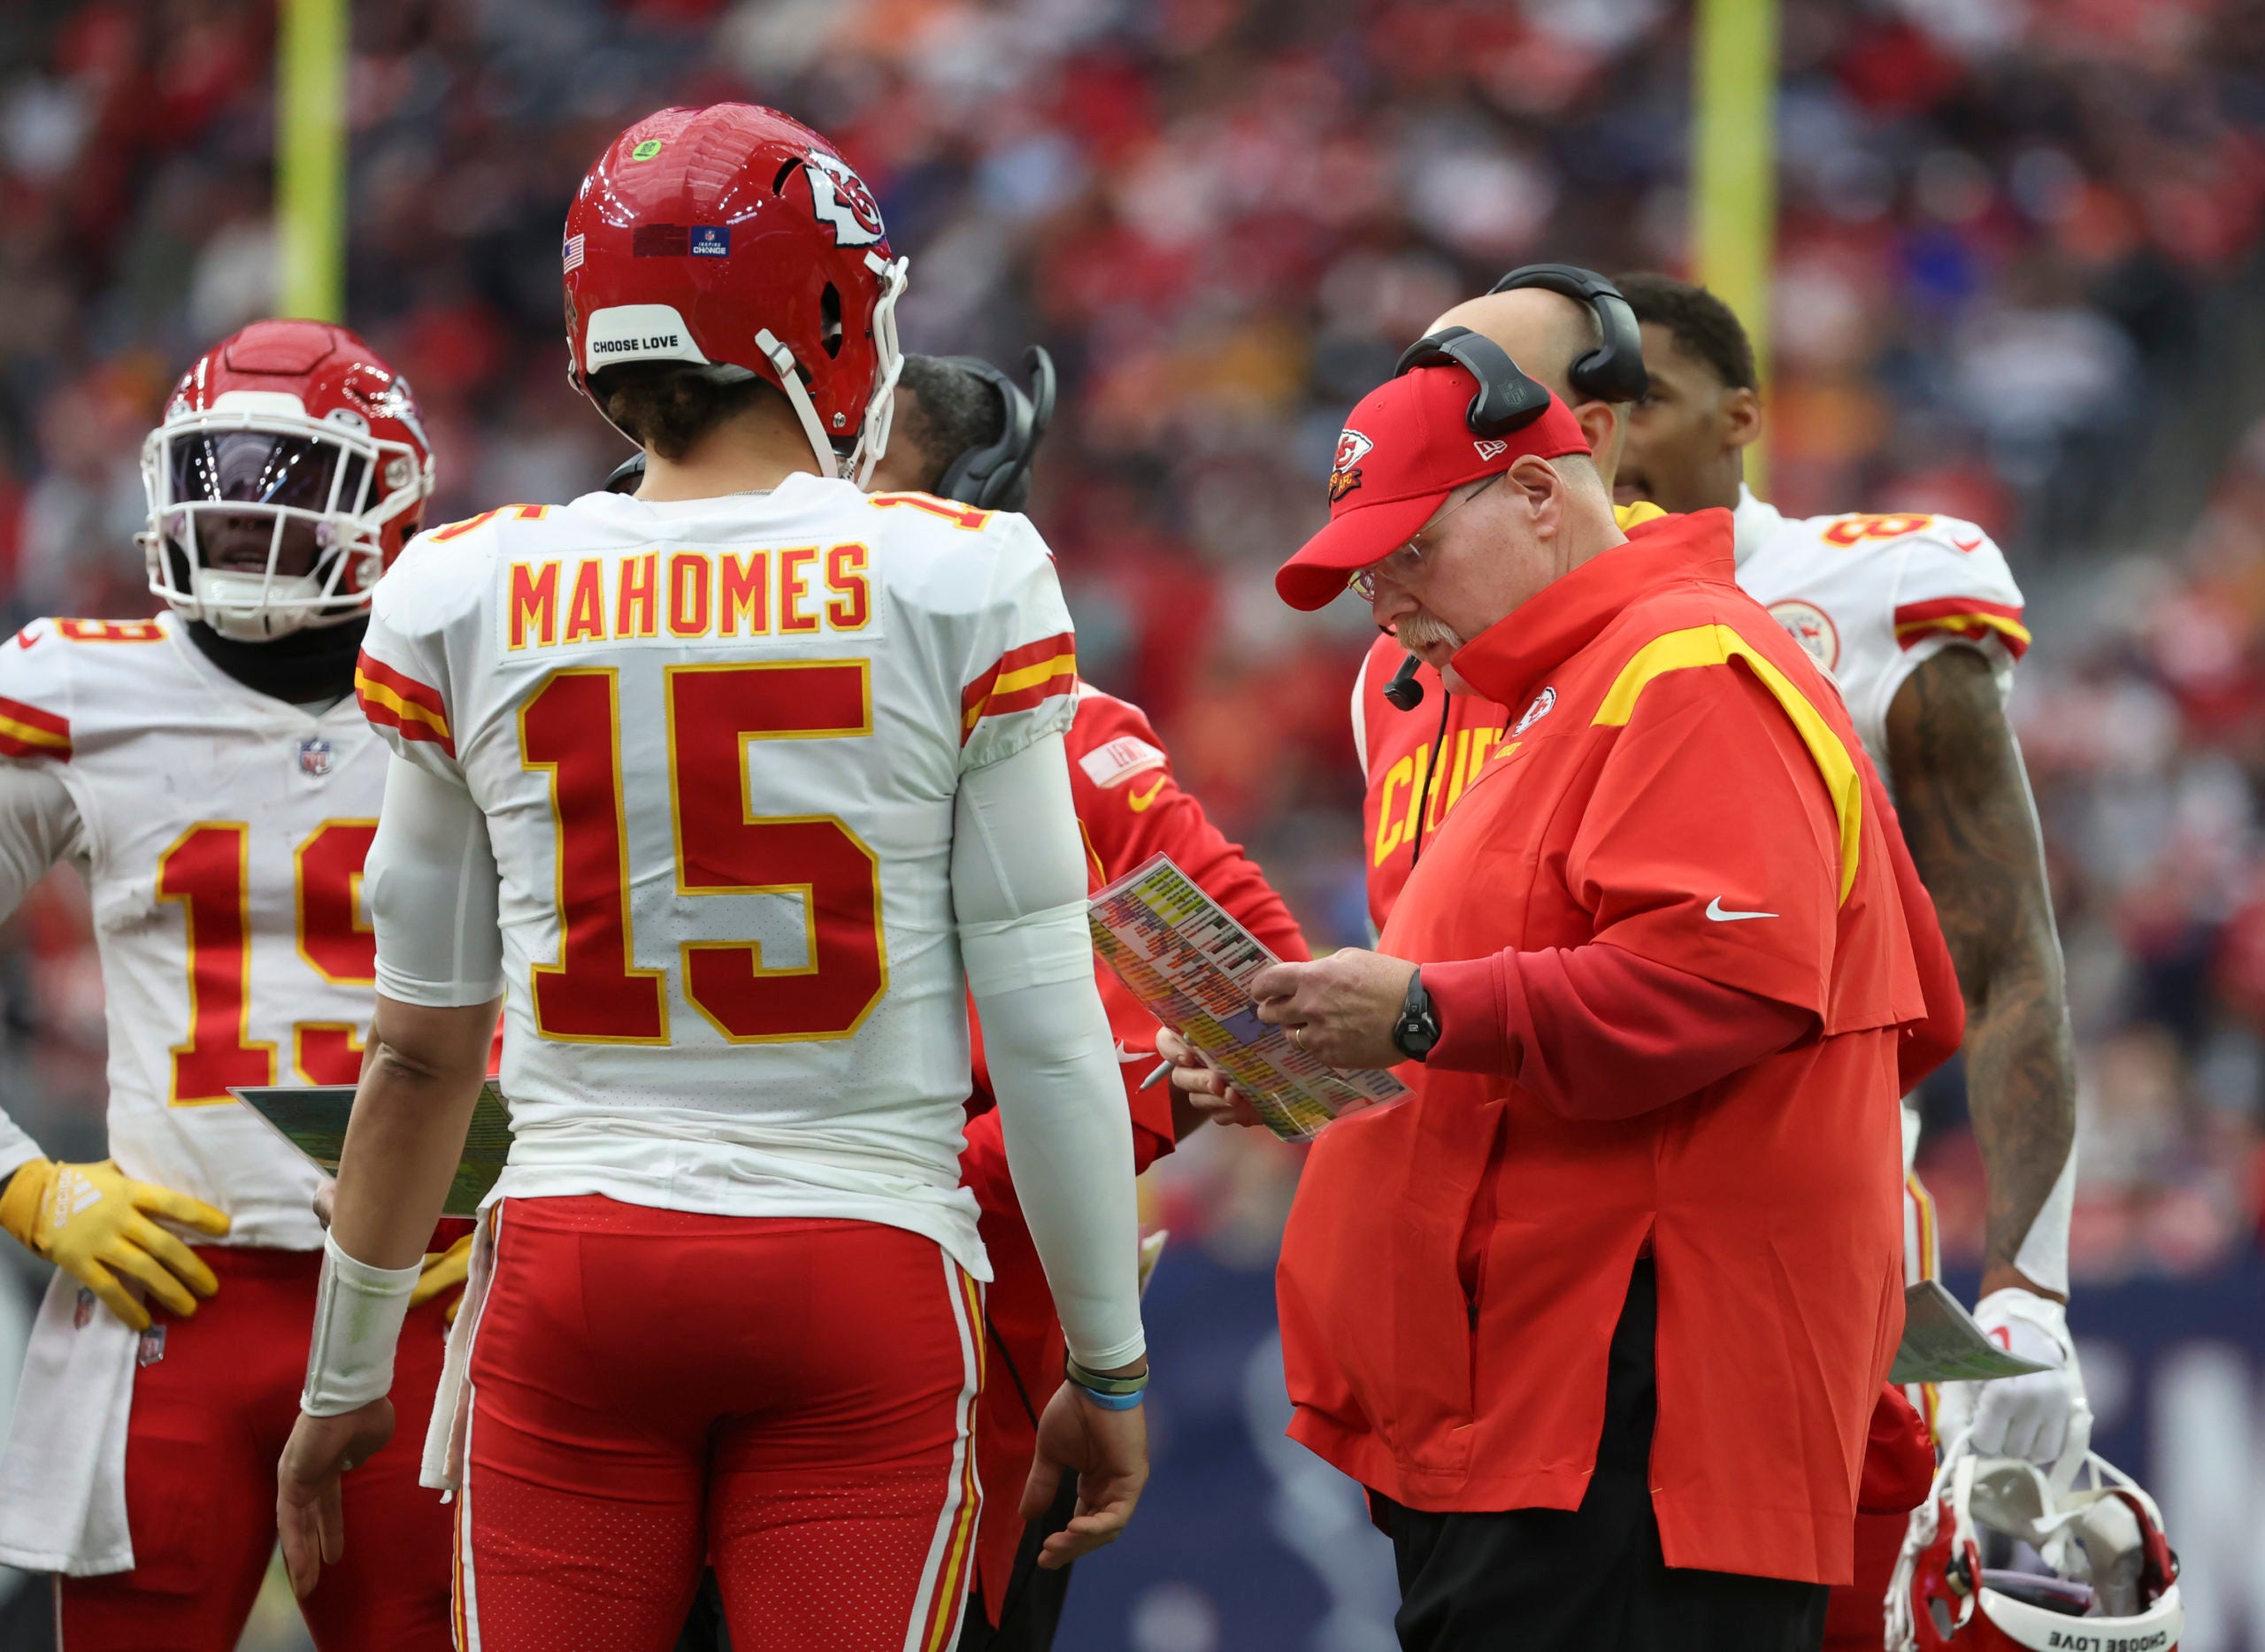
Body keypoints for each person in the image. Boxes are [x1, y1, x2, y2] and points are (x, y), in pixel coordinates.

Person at [273, 103, 1150, 1652]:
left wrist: (346, 1376)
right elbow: (1040, 1016)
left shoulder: (462, 584)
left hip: (576, 1266)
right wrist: (1107, 1361)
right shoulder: (962, 571)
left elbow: (417, 1050)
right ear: (826, 311)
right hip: (861, 1265)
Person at [1173, 340, 1962, 1648]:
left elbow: (1724, 979)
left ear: (1539, 495)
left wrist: (1422, 1013)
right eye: (1368, 574)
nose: (1386, 606)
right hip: (1545, 1418)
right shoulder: (1573, 688)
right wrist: (1315, 1057)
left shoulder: (1683, 664)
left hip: (1625, 1430)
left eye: (1410, 553)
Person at [1609, 272, 2083, 1648]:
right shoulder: (1474, 644)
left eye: (1642, 400)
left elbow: (2006, 957)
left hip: (1811, 1248)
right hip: (1558, 1274)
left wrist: (2031, 1287)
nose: (1609, 444)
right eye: (1583, 410)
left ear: (1741, 415)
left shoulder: (1864, 589)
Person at [0, 319, 457, 1648]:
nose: (244, 523)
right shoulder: (80, 688)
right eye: (219, 484)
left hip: (426, 1287)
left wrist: (533, 1183)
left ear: (390, 500)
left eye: (289, 489)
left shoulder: (470, 674)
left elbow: (588, 967)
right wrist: (30, 1184)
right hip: (172, 1289)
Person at [869, 350, 1312, 1650]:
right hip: (939, 1336)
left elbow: (1270, 1017)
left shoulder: (602, 668)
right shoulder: (1055, 727)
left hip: (654, 1276)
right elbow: (1274, 1026)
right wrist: (1119, 1093)